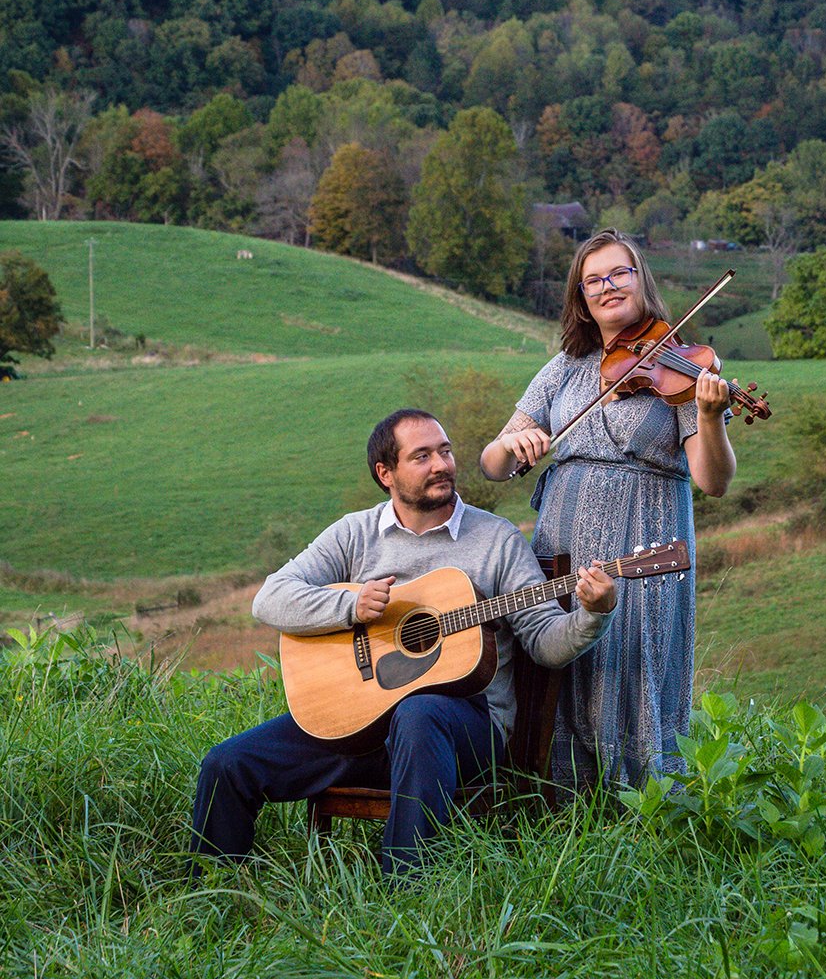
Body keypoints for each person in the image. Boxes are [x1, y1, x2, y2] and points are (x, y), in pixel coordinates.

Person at [190, 408, 616, 879]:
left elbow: (542, 641)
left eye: (446, 451)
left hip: (464, 733)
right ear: (385, 474)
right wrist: (351, 609)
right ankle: (213, 896)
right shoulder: (356, 533)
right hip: (363, 726)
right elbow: (269, 599)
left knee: (420, 713)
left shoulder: (495, 539)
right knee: (228, 763)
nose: (442, 464)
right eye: (422, 456)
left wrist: (591, 614)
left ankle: (405, 893)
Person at [479, 229, 735, 790]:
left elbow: (712, 481)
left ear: (641, 278)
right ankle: (553, 800)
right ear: (581, 298)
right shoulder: (563, 368)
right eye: (592, 280)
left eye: (619, 273)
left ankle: (642, 803)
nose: (607, 286)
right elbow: (491, 463)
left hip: (645, 541)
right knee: (560, 663)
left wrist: (712, 416)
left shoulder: (684, 366)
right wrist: (511, 447)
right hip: (560, 543)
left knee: (630, 663)